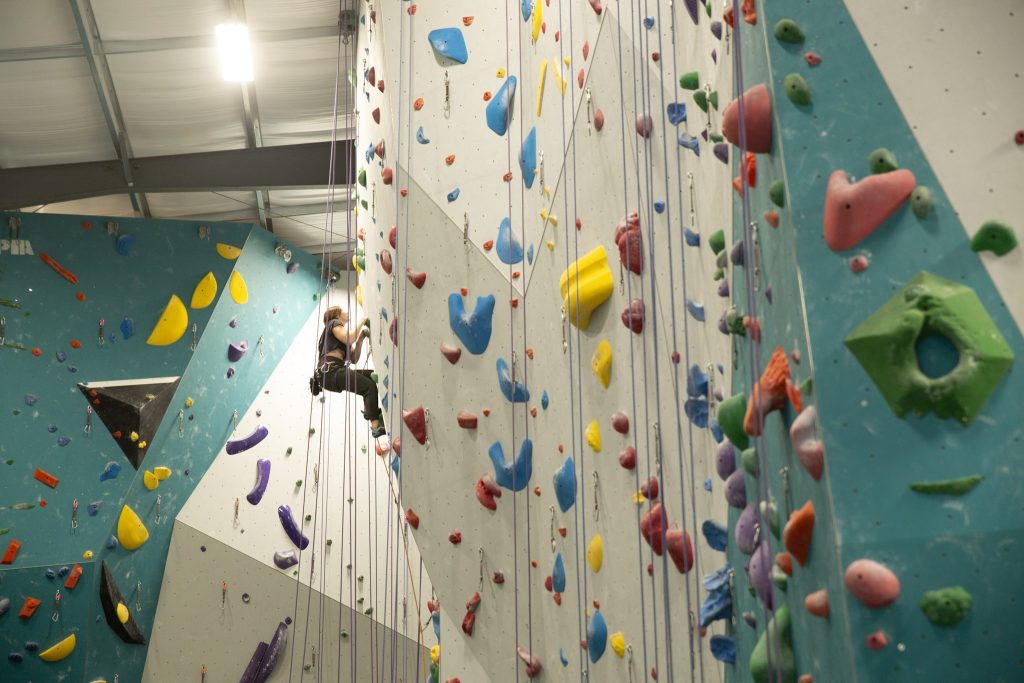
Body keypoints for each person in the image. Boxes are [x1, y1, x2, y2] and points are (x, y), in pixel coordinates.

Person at [311, 305, 386, 438]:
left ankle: (370, 410)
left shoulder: (338, 335)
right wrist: (362, 320)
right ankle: (375, 425)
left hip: (331, 373)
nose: (347, 313)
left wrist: (361, 339)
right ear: (337, 315)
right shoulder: (333, 324)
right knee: (368, 386)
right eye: (343, 311)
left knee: (369, 376)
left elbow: (354, 358)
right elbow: (349, 338)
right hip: (331, 371)